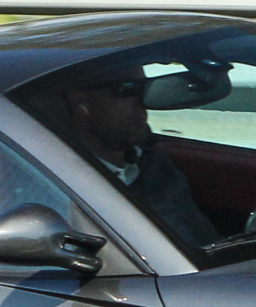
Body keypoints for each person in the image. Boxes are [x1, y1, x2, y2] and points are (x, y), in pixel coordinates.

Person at [59, 65, 221, 250]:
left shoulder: (157, 169)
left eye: (145, 88)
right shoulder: (62, 187)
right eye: (128, 88)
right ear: (80, 103)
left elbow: (209, 246)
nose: (143, 101)